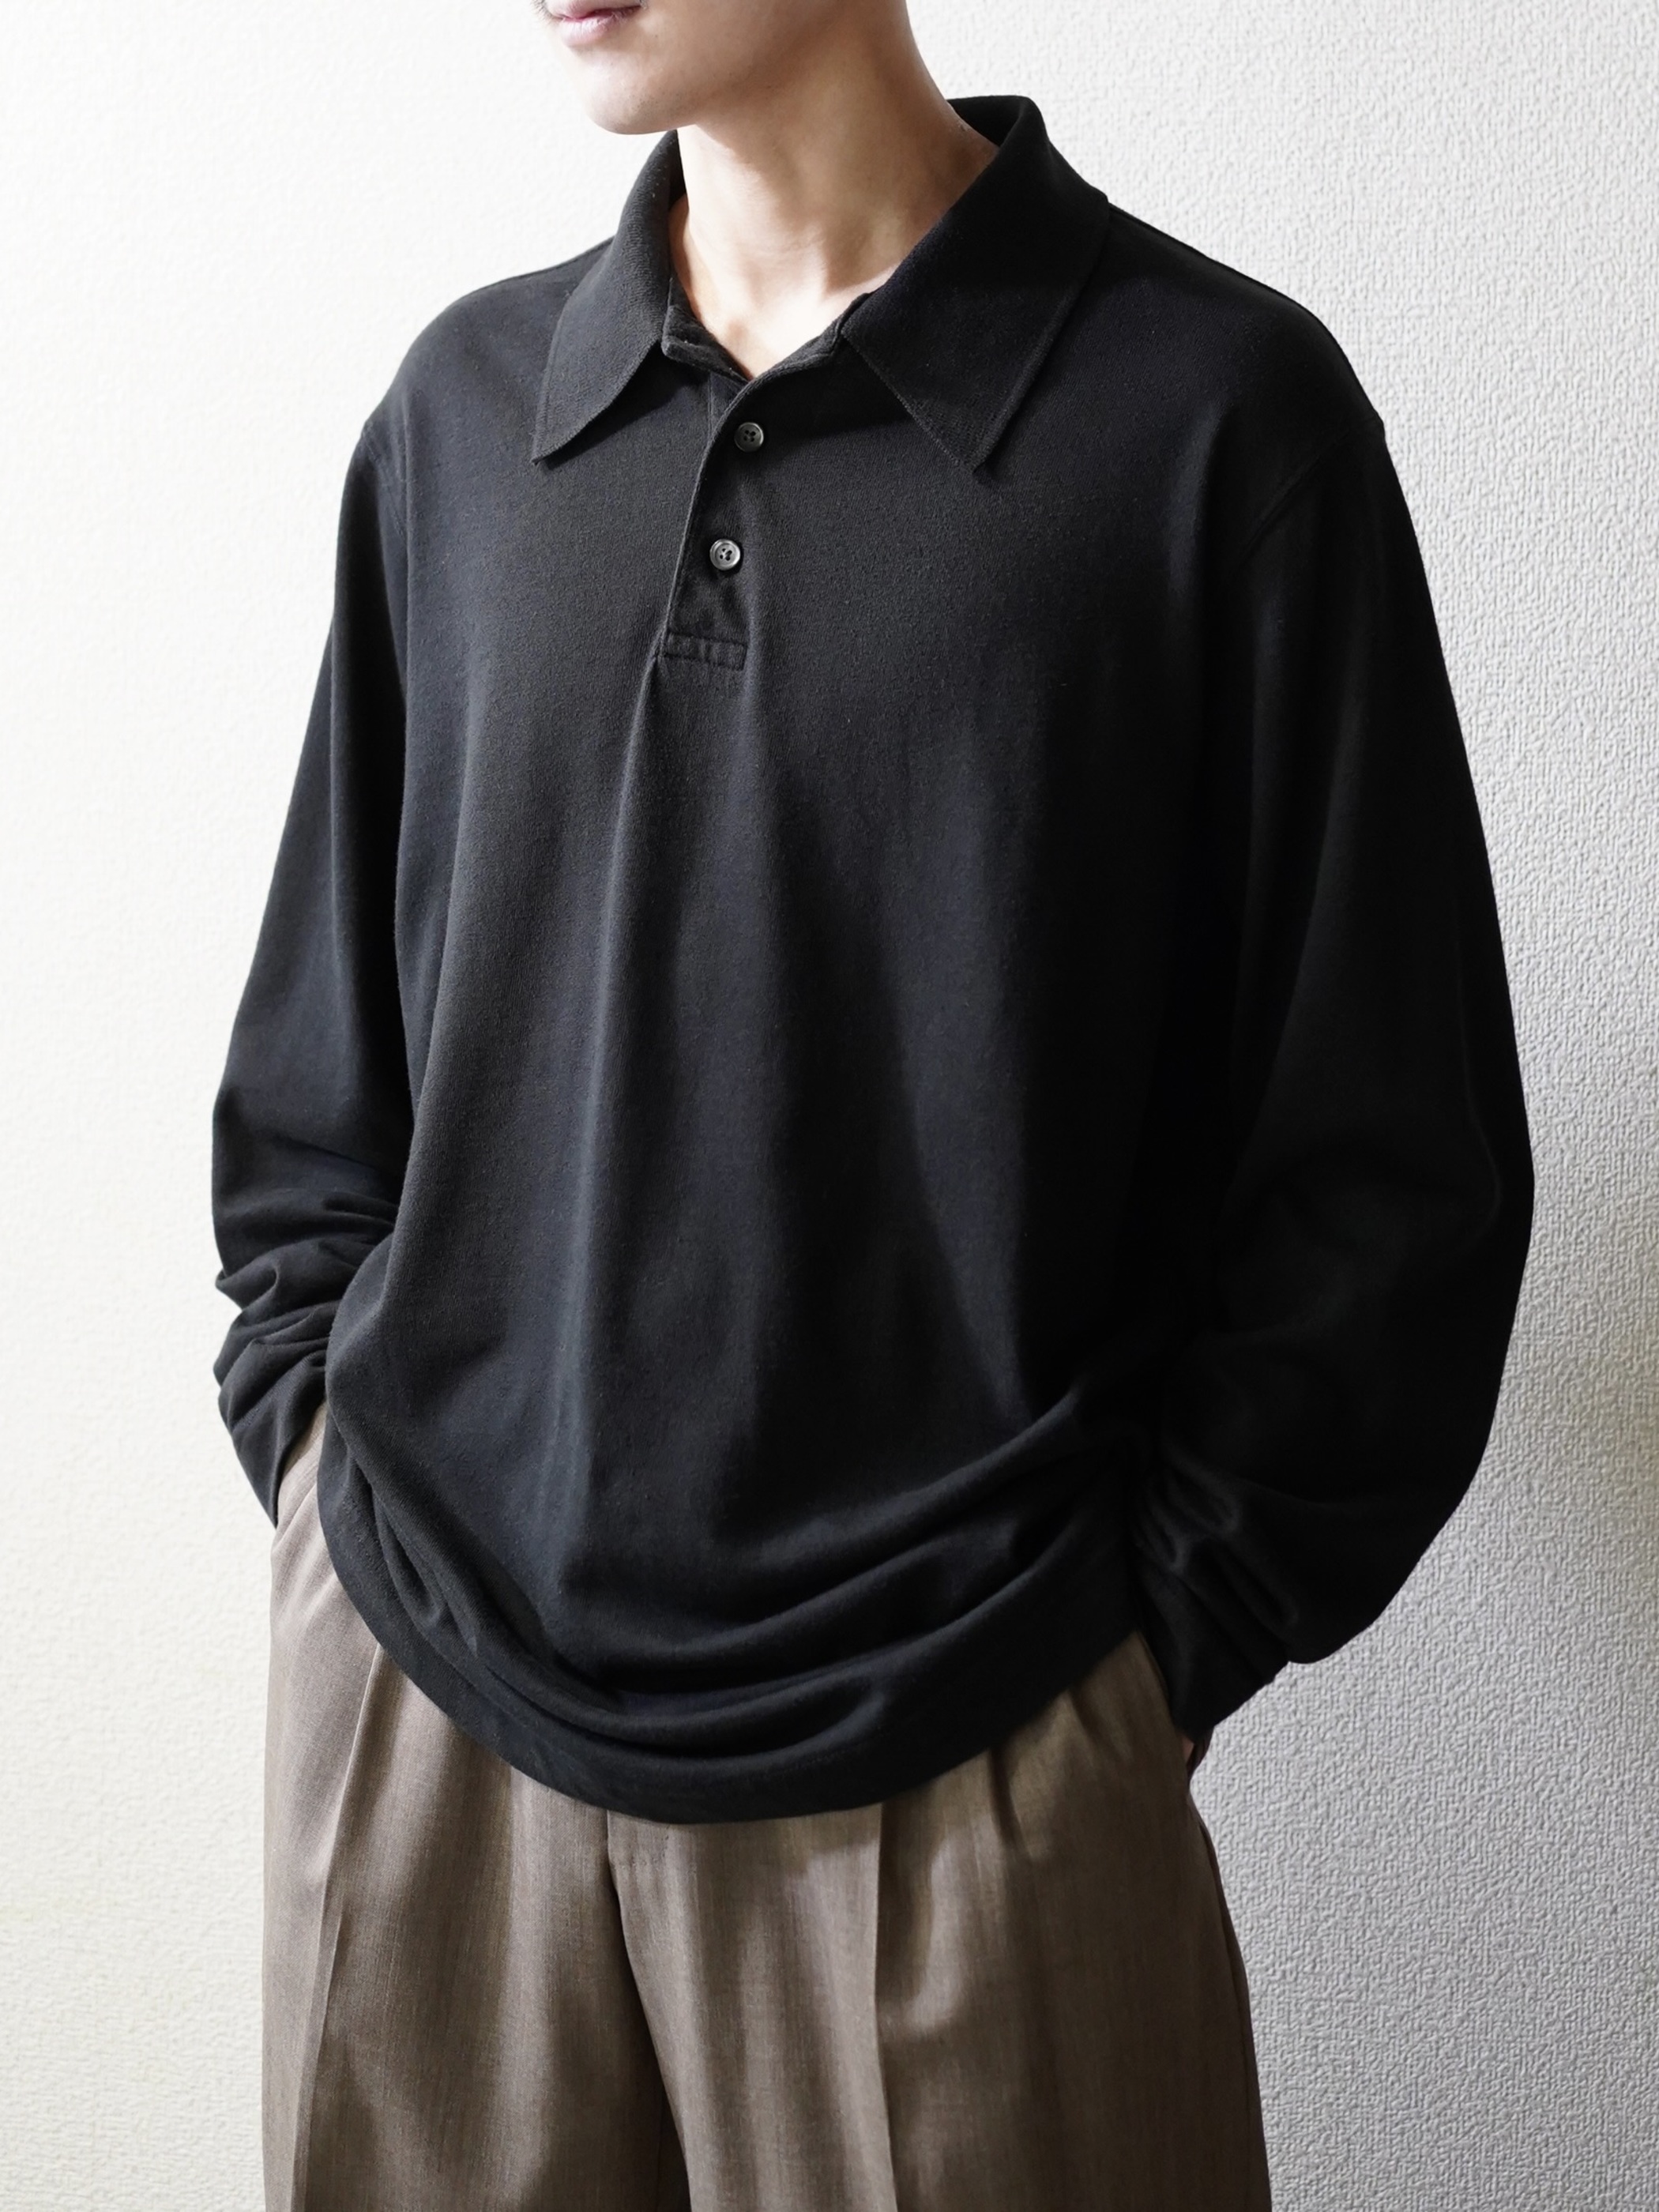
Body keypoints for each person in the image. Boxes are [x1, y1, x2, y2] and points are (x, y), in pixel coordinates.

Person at [212, 1, 1533, 2205]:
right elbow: (318, 1083)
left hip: (966, 1780)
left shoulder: (1217, 421)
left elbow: (1386, 1174)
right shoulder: (461, 417)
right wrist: (325, 1480)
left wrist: (1132, 1660)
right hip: (424, 1736)